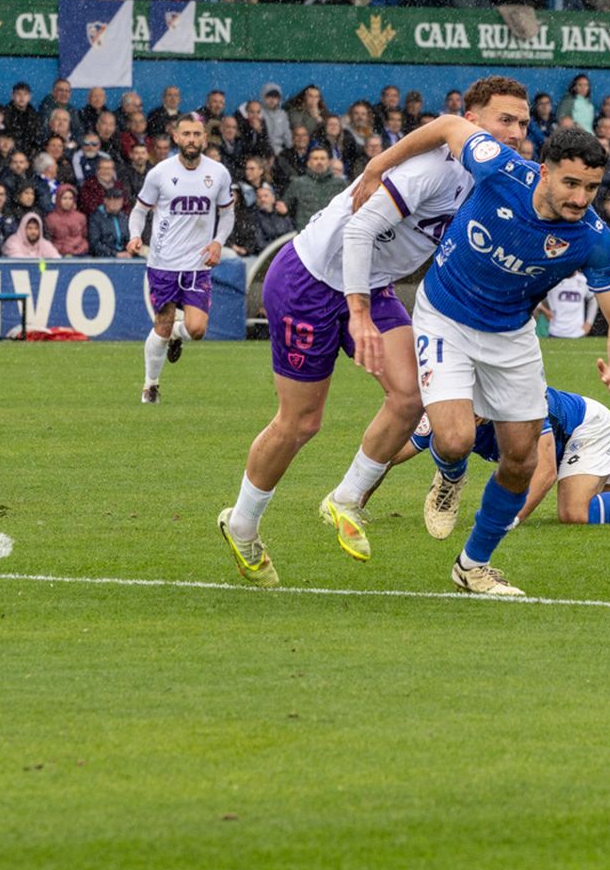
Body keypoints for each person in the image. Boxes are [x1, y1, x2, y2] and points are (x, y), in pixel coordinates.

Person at [218, 77, 534, 583]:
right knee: (300, 422)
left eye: (523, 123)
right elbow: (360, 228)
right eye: (506, 120)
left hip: (370, 282)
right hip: (309, 280)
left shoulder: (495, 175)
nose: (516, 132)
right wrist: (359, 313)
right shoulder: (434, 169)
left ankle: (345, 499)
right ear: (472, 123)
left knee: (411, 396)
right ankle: (242, 524)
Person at [347, 119, 610, 597]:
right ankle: (450, 475)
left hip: (511, 336)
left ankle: (472, 565)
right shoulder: (498, 167)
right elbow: (448, 125)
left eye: (591, 187)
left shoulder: (593, 237)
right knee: (454, 439)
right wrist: (379, 163)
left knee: (521, 461)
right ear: (544, 172)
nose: (581, 198)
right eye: (571, 183)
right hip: (445, 313)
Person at [390, 386, 610, 526]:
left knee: (574, 511)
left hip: (588, 428)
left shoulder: (521, 403)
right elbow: (394, 452)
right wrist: (361, 490)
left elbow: (545, 472)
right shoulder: (448, 414)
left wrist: (510, 519)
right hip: (572, 438)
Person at [126, 116, 234, 404]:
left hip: (198, 265)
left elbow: (228, 214)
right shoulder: (160, 173)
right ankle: (150, 386)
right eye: (186, 134)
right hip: (163, 262)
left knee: (196, 329)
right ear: (176, 137)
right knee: (161, 322)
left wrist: (218, 241)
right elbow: (139, 210)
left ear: (205, 138)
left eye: (197, 134)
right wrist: (135, 235)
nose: (191, 139)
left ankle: (176, 333)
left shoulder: (218, 173)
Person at [540, 271, 597, 338]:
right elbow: (533, 294)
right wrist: (543, 310)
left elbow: (593, 299)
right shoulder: (551, 279)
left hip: (578, 333)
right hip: (555, 332)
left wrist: (589, 323)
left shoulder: (583, 280)